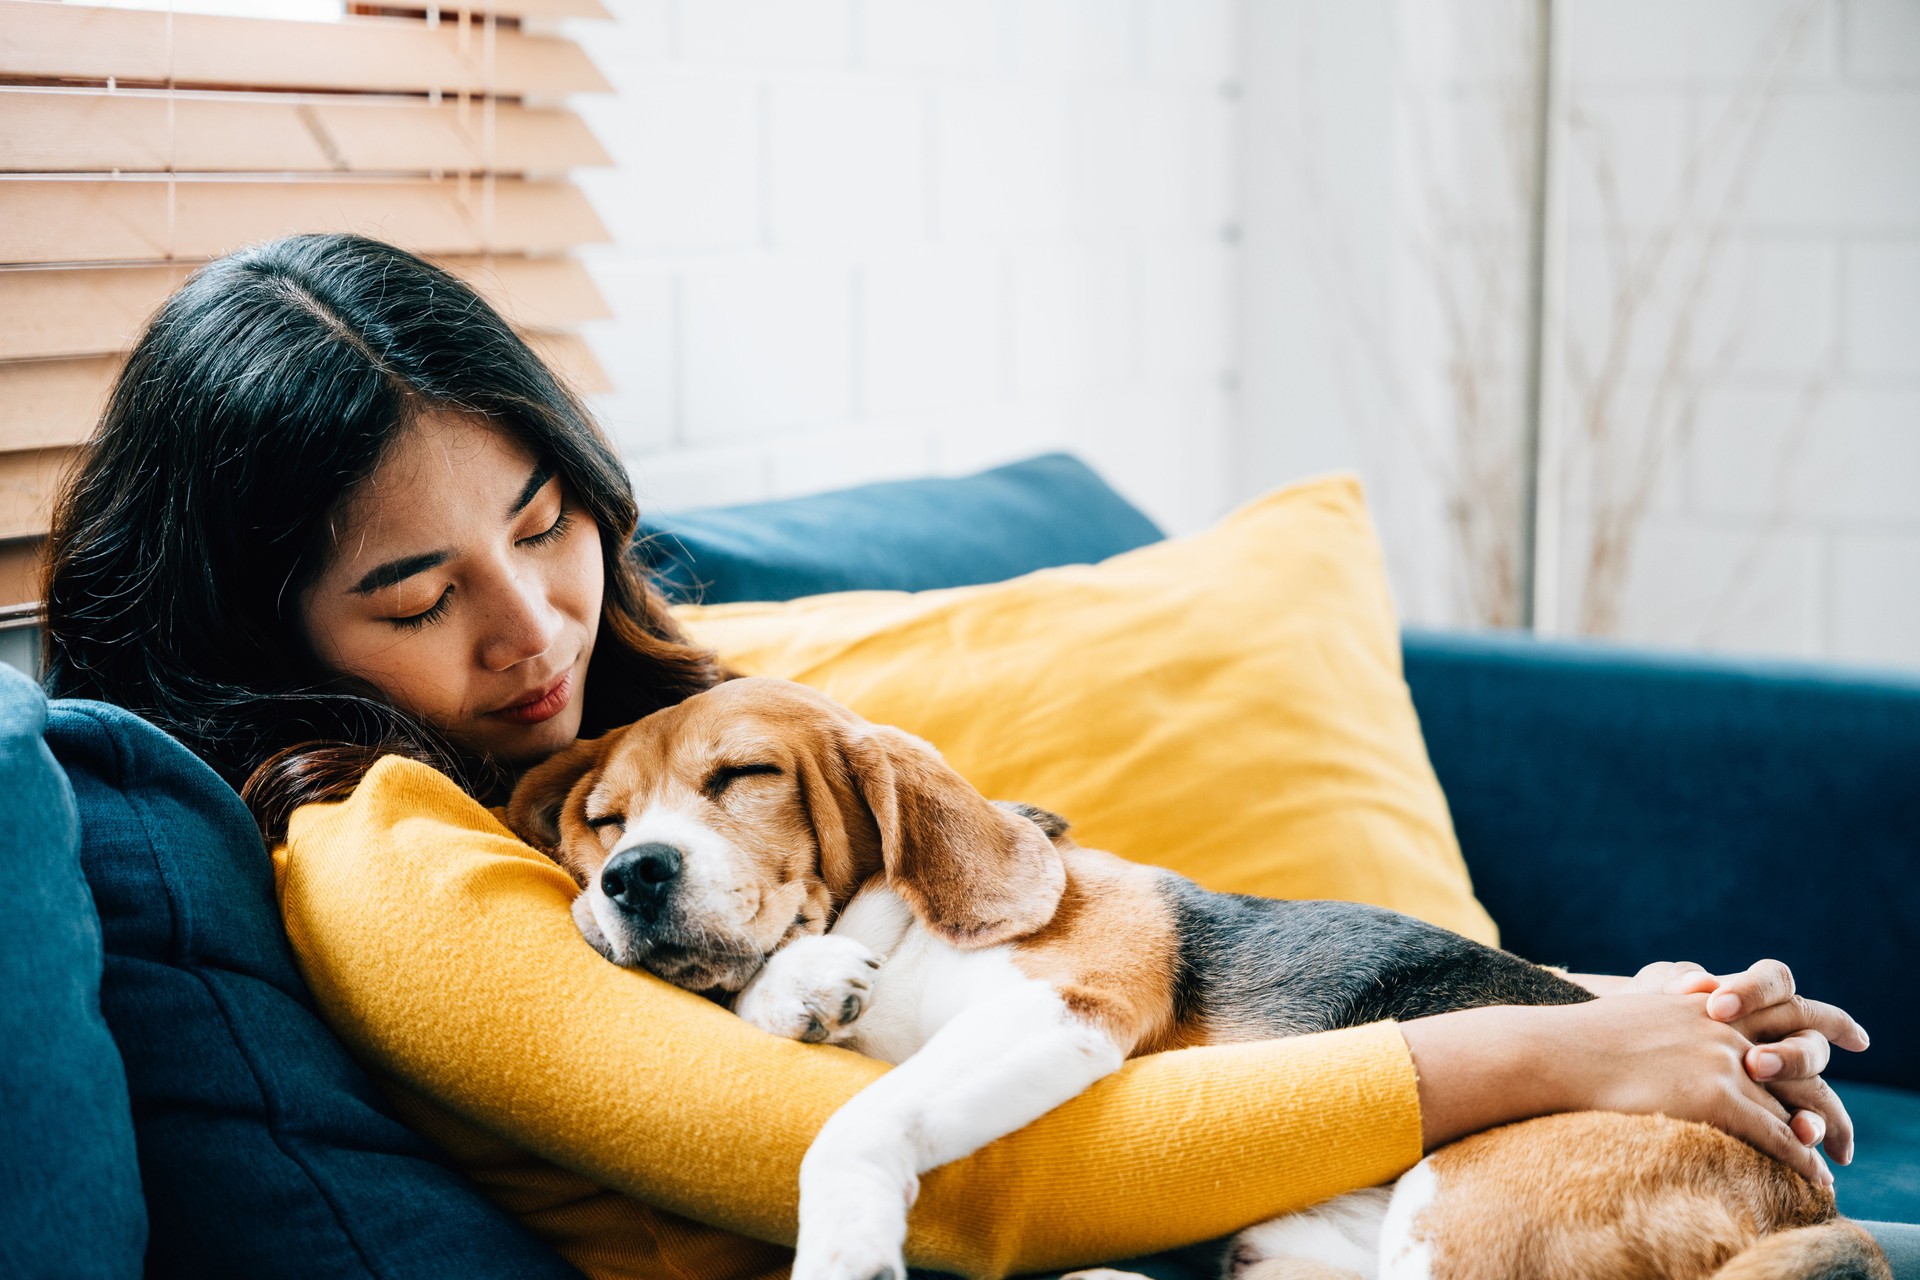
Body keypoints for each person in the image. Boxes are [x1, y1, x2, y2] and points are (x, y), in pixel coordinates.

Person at [40, 233, 1905, 1278]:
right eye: (413, 591)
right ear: (258, 625)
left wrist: (1620, 1003)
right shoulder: (390, 862)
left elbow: (1116, 942)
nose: (531, 623)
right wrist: (1542, 1047)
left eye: (544, 521)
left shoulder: (632, 736)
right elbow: (957, 1177)